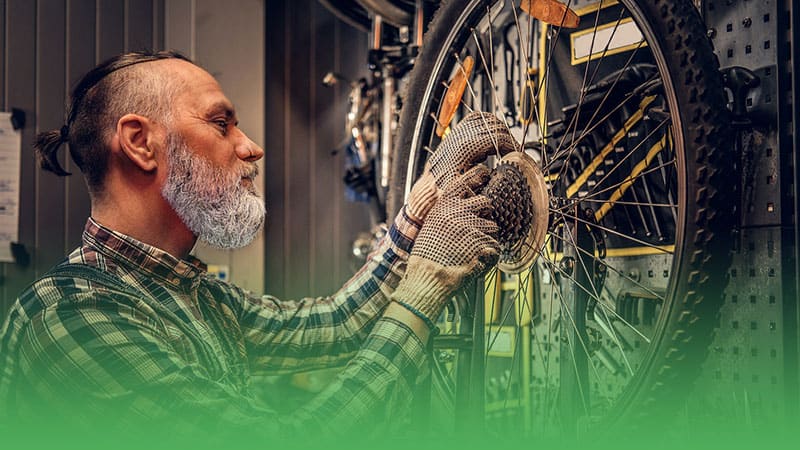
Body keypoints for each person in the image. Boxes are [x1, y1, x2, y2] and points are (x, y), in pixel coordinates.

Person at [0, 51, 518, 441]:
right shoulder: (70, 318)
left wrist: (421, 202)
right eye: (221, 123)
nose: (251, 147)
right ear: (140, 142)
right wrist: (421, 294)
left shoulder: (184, 291)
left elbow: (334, 324)